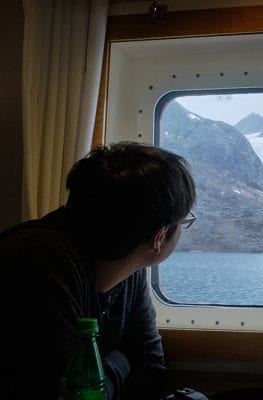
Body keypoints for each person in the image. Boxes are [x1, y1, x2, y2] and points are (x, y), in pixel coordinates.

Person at [0, 142, 196, 399]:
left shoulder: (130, 270)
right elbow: (71, 392)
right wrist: (122, 360)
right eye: (184, 221)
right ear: (159, 236)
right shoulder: (37, 260)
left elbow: (150, 369)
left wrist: (104, 373)